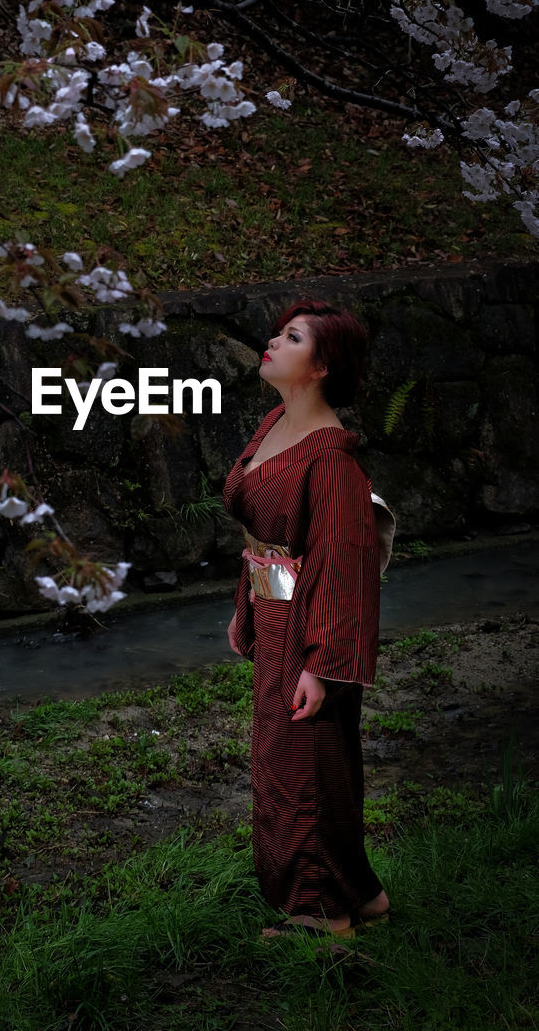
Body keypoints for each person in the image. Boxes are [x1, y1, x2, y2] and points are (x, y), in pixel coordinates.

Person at [222, 298, 390, 938]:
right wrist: (247, 609)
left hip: (309, 627)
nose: (272, 341)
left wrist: (321, 664)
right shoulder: (272, 426)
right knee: (293, 755)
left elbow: (342, 563)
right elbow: (265, 543)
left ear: (321, 366)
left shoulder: (332, 459)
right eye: (278, 332)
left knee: (303, 763)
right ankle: (362, 893)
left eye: (291, 337)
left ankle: (322, 913)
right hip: (276, 616)